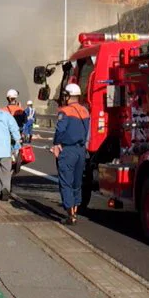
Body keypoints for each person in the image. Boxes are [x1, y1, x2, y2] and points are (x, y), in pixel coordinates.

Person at [52, 83, 90, 225]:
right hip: (81, 150)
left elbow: (60, 131)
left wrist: (56, 144)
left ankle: (70, 215)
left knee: (66, 182)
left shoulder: (65, 111)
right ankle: (75, 210)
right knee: (77, 182)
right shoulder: (85, 111)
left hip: (68, 150)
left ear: (68, 96)